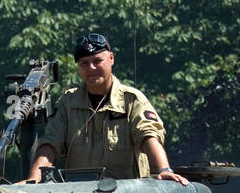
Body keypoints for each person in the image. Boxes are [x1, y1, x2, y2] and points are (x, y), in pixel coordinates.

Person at [25, 33, 189, 185]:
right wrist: (33, 180)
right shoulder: (67, 103)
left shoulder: (131, 100)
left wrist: (164, 170)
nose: (91, 68)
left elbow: (148, 136)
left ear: (111, 59)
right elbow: (50, 145)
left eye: (97, 61)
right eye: (84, 63)